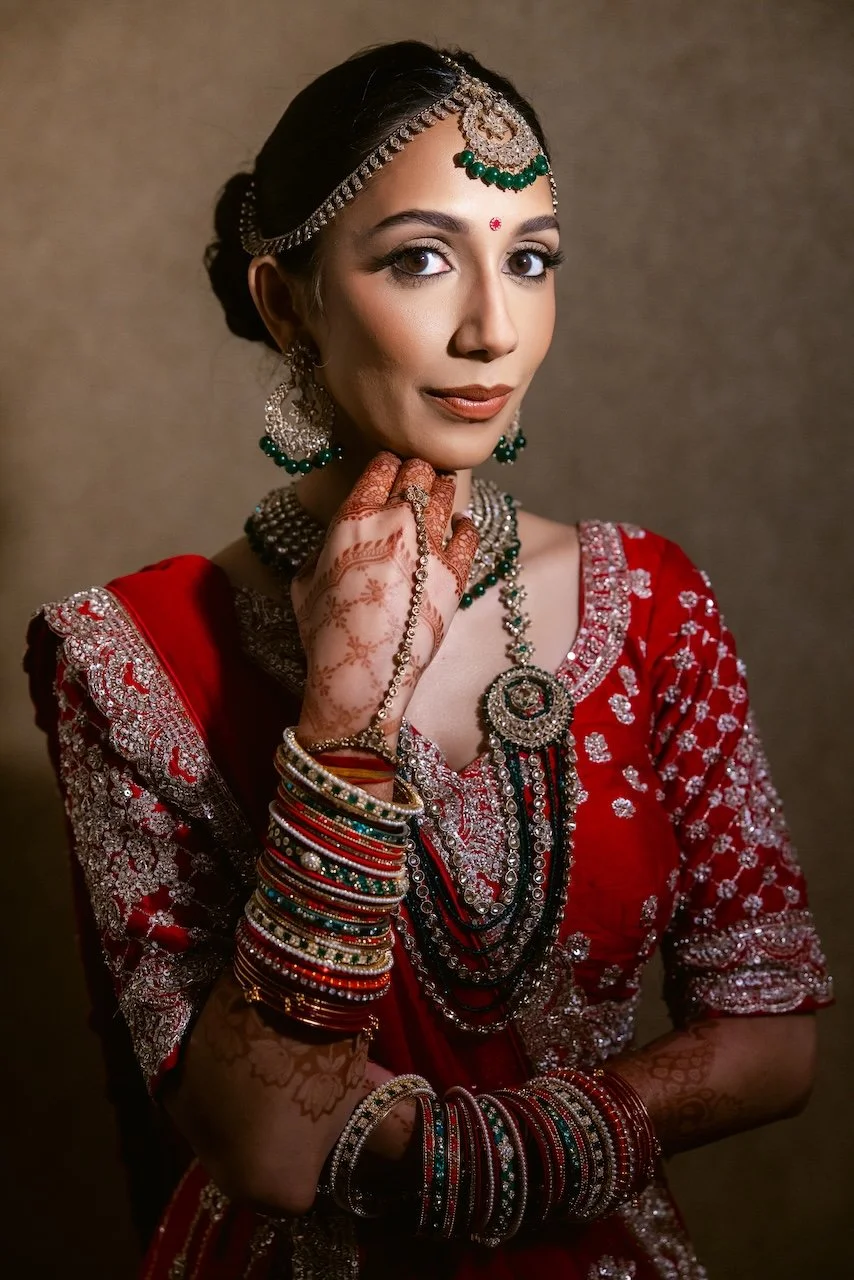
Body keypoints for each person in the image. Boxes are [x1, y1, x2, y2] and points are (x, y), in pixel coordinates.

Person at [25, 40, 832, 1280]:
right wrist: (344, 726)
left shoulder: (654, 601)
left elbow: (771, 1039)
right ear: (287, 302)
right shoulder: (131, 653)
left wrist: (467, 1148)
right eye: (419, 258)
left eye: (529, 259)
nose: (491, 328)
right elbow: (265, 1147)